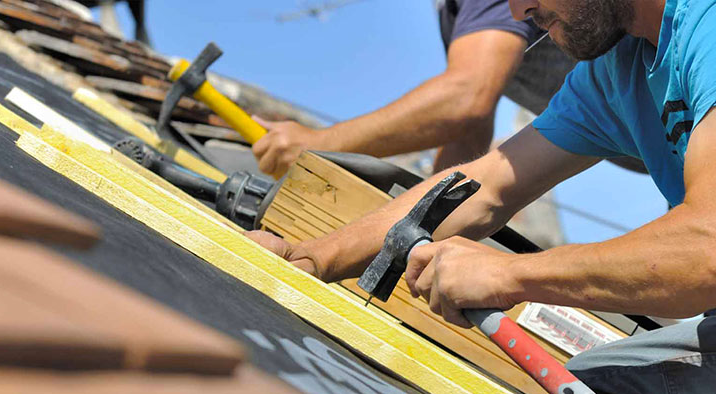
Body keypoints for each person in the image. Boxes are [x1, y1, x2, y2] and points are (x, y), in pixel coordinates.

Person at [249, 0, 716, 391]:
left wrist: (511, 273)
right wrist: (312, 258)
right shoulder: (614, 74)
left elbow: (706, 248)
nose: (517, 8)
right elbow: (484, 187)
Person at [251, 0, 577, 179]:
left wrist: (317, 144)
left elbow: (465, 98)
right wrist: (423, 221)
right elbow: (467, 134)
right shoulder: (456, 13)